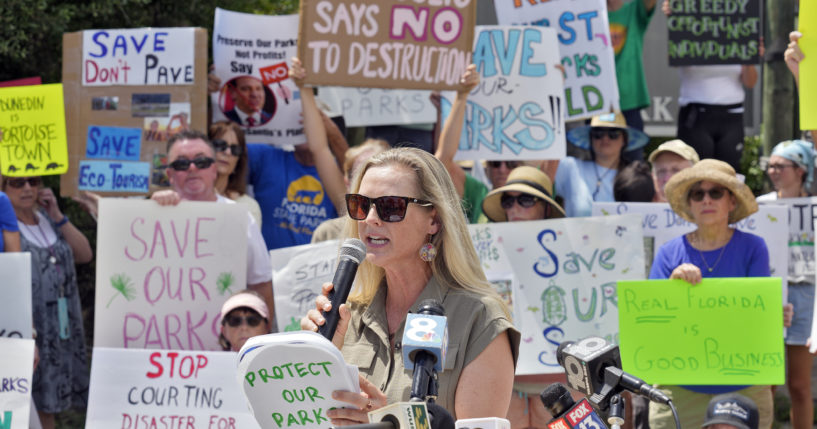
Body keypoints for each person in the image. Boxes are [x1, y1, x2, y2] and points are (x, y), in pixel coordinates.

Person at [301, 148, 519, 425]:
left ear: (434, 220)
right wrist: (315, 360)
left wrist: (386, 422)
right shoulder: (345, 316)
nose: (370, 219)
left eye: (390, 206)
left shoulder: (480, 318)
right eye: (361, 204)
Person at [647, 159, 790, 429]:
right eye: (697, 194)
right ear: (689, 203)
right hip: (681, 384)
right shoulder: (668, 254)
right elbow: (652, 320)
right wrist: (672, 286)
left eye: (715, 192)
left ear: (732, 202)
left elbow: (757, 313)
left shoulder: (753, 247)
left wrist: (774, 314)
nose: (706, 200)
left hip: (743, 383)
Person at [150, 130, 274, 325]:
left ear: (214, 169)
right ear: (170, 174)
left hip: (226, 345)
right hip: (160, 339)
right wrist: (152, 209)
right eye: (181, 163)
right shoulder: (151, 216)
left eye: (201, 162)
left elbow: (261, 284)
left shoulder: (240, 218)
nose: (192, 168)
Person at [2, 175, 93, 429]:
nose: (28, 188)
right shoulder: (6, 229)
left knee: (49, 402)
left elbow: (84, 254)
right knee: (35, 402)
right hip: (32, 325)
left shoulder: (47, 219)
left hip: (61, 326)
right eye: (17, 183)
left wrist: (56, 213)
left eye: (33, 181)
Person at [480, 166, 565, 427]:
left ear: (546, 208)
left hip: (557, 381)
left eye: (526, 200)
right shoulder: (488, 252)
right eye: (508, 200)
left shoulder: (571, 250)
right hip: (507, 378)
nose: (515, 207)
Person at [755, 140, 815, 429]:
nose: (774, 170)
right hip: (770, 294)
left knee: (800, 385)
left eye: (781, 165)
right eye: (771, 165)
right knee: (767, 384)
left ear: (801, 170)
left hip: (807, 294)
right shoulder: (760, 204)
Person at [662, 1, 760, 170]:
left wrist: (750, 56)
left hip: (732, 114)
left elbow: (750, 82)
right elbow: (675, 60)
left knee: (729, 173)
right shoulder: (692, 23)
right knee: (695, 172)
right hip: (696, 114)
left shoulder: (739, 29)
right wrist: (678, 20)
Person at [435, 64, 526, 223]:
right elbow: (442, 162)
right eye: (495, 163)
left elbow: (553, 157)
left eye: (511, 163)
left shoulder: (540, 192)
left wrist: (554, 85)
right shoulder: (479, 195)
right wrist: (462, 96)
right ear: (488, 167)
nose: (503, 169)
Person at [555, 112, 649, 216]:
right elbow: (538, 169)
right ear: (591, 138)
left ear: (624, 140)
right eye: (598, 133)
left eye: (613, 133)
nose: (605, 138)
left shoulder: (635, 177)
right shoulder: (570, 167)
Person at [311, 138, 391, 243]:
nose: (369, 181)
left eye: (379, 175)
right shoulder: (328, 233)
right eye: (360, 175)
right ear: (347, 183)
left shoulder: (401, 228)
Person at [608, 0, 657, 135]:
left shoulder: (634, 9)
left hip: (629, 103)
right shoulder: (585, 16)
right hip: (596, 102)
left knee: (633, 156)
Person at [209, 120, 262, 226]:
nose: (227, 152)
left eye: (235, 149)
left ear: (238, 162)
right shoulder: (188, 197)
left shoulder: (249, 206)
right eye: (220, 145)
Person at [482, 166, 565, 222]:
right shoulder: (495, 246)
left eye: (526, 200)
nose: (514, 209)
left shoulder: (564, 247)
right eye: (507, 201)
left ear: (547, 210)